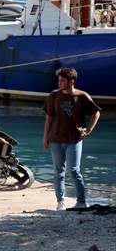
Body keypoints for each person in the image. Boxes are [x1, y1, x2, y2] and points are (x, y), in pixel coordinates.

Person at [43, 67, 100, 211]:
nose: (59, 83)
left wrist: (89, 129)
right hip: (55, 139)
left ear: (72, 81)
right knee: (58, 172)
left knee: (74, 171)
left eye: (62, 80)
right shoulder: (53, 96)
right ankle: (60, 201)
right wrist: (45, 138)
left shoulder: (82, 96)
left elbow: (96, 113)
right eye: (59, 80)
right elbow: (49, 118)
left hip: (74, 140)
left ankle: (81, 202)